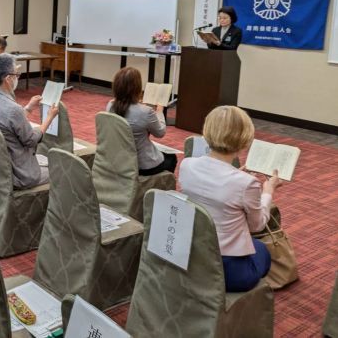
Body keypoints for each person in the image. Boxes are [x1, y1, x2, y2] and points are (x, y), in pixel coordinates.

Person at [179, 106, 278, 292]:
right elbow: (257, 225)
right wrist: (268, 192)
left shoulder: (187, 164)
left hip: (192, 256)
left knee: (256, 247)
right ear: (244, 140)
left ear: (206, 132)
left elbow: (210, 186)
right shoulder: (246, 183)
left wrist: (234, 175)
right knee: (262, 251)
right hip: (228, 270)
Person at [0, 53, 58, 189]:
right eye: (16, 74)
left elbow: (7, 122)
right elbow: (31, 140)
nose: (17, 78)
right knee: (62, 170)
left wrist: (28, 108)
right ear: (8, 79)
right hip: (19, 174)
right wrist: (49, 118)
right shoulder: (13, 109)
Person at [106, 67, 177, 176]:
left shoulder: (110, 105)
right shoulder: (145, 112)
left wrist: (138, 105)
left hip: (118, 160)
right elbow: (160, 133)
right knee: (172, 158)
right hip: (142, 165)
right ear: (137, 88)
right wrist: (159, 112)